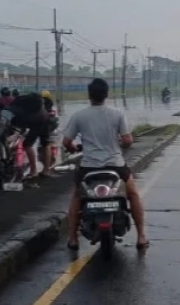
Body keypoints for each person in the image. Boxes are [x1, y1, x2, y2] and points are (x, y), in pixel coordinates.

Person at [62, 78, 148, 251]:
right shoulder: (117, 114)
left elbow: (66, 142)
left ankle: (72, 238)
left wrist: (73, 148)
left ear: (89, 95)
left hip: (89, 167)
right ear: (106, 95)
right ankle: (141, 236)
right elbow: (127, 140)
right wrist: (122, 143)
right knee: (133, 194)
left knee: (77, 198)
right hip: (115, 165)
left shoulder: (79, 115)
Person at [6, 91, 52, 179]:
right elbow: (8, 111)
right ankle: (38, 170)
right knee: (35, 144)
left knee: (32, 144)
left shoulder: (40, 113)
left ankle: (40, 170)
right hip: (26, 119)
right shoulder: (19, 102)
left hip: (39, 121)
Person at [39, 90, 57, 175]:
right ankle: (50, 165)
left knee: (43, 147)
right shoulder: (52, 107)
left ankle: (45, 168)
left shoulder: (41, 108)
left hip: (44, 130)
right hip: (53, 131)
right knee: (52, 144)